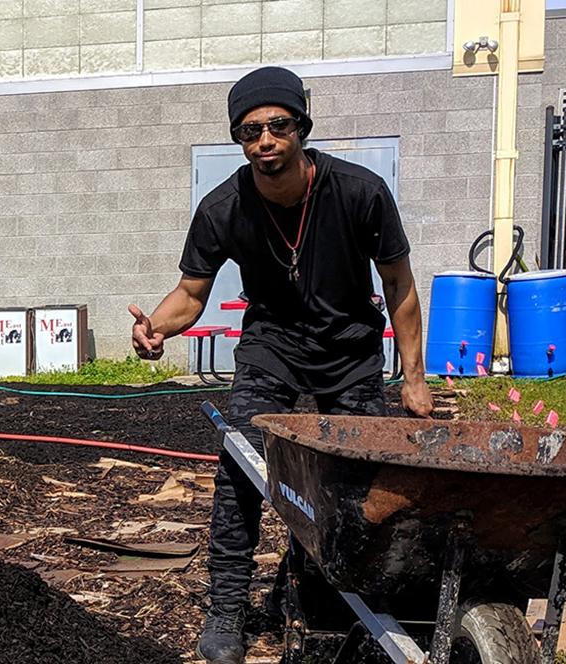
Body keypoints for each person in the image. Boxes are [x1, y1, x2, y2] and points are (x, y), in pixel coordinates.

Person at [129, 66, 433, 664]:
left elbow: (398, 283)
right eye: (249, 131)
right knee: (240, 472)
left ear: (300, 127)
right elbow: (191, 293)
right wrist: (155, 328)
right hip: (271, 347)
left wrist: (415, 380)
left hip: (350, 350)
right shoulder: (224, 208)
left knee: (360, 486)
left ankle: (343, 600)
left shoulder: (360, 192)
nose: (264, 139)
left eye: (277, 125)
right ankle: (225, 614)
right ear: (239, 141)